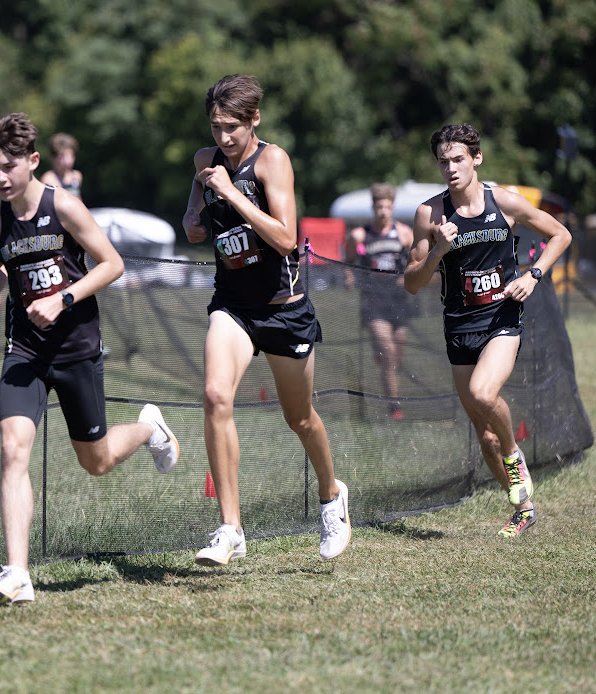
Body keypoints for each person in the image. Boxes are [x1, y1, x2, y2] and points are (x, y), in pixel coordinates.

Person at [0, 113, 179, 605]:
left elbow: (113, 264)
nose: (0, 177)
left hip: (76, 348)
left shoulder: (63, 205)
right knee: (13, 448)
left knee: (96, 461)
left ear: (32, 161)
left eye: (8, 166)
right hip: (25, 350)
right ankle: (17, 573)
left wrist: (62, 299)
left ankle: (149, 428)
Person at [182, 74, 350, 566]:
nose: (223, 137)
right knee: (216, 396)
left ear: (254, 119)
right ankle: (230, 528)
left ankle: (331, 496)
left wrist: (231, 194)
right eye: (215, 127)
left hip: (282, 309)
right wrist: (194, 216)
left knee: (299, 418)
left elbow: (285, 238)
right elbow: (193, 219)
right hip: (232, 305)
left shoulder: (272, 160)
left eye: (232, 127)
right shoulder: (205, 160)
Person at [404, 123, 571, 537]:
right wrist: (438, 250)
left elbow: (560, 235)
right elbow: (411, 282)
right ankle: (524, 509)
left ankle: (515, 457)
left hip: (502, 319)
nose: (450, 168)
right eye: (443, 162)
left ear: (476, 158)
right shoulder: (429, 214)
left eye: (458, 159)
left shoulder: (505, 203)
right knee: (485, 436)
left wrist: (533, 275)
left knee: (483, 394)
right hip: (459, 327)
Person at [346, 183, 414, 419]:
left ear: (392, 207)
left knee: (398, 357)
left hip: (398, 300)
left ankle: (382, 357)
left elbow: (415, 261)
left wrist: (408, 275)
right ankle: (394, 406)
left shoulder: (404, 233)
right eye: (379, 207)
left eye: (387, 207)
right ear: (373, 208)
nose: (383, 211)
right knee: (389, 353)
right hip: (373, 300)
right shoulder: (360, 235)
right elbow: (348, 261)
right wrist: (349, 276)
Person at [40, 132, 83, 199]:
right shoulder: (48, 179)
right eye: (62, 157)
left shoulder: (77, 176)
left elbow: (79, 200)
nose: (68, 161)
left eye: (71, 156)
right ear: (53, 158)